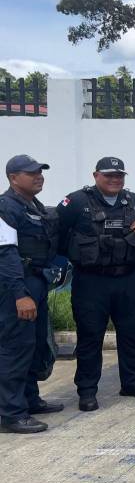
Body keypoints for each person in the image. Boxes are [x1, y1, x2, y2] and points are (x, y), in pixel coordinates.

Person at [57, 157, 135, 412]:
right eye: (109, 175)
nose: (115, 180)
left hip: (129, 278)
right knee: (90, 337)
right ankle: (87, 391)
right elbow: (58, 232)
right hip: (92, 280)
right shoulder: (77, 201)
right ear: (96, 175)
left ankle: (131, 382)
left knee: (132, 334)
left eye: (119, 175)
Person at [0, 155, 63, 433]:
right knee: (15, 347)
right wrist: (19, 294)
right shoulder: (6, 207)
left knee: (33, 344)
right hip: (16, 285)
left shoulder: (32, 205)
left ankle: (29, 399)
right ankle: (11, 413)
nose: (38, 177)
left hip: (35, 281)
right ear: (14, 178)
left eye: (40, 172)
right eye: (31, 173)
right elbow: (6, 253)